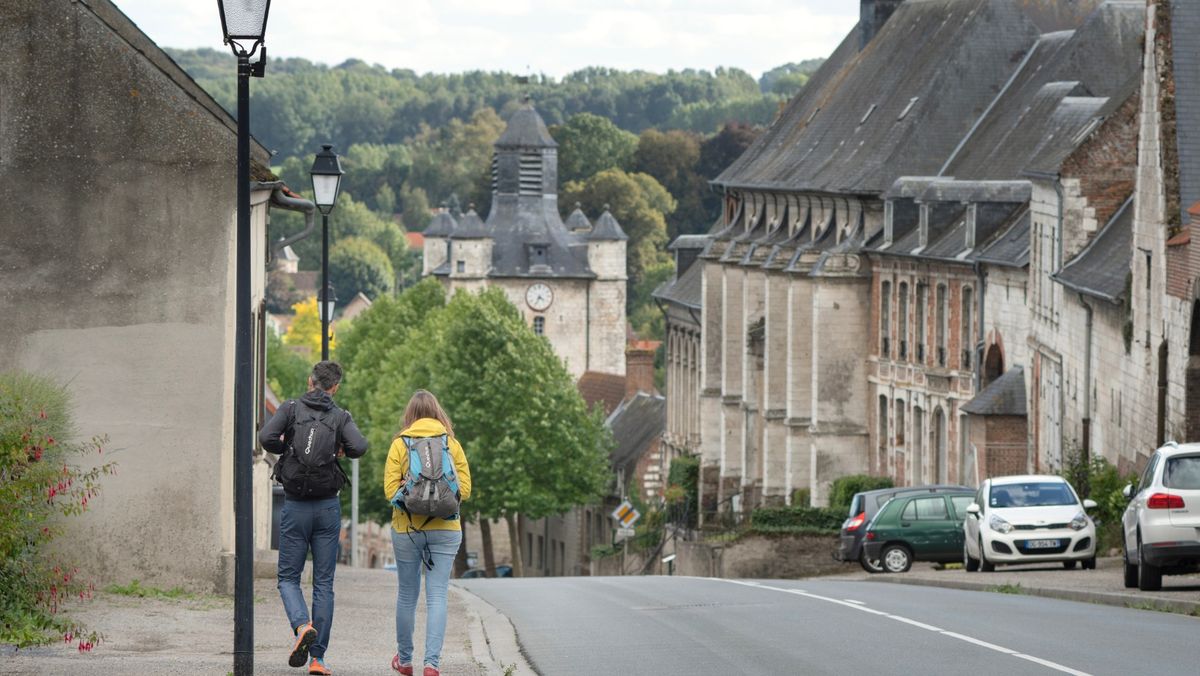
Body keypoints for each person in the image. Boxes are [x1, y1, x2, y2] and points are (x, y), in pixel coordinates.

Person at [259, 361, 368, 676]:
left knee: (289, 578)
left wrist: (287, 447)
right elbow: (359, 446)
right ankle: (318, 660)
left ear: (311, 381)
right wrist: (339, 451)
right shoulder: (339, 416)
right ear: (335, 386)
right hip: (327, 509)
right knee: (324, 583)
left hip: (295, 507)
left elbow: (266, 436)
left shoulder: (291, 408)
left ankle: (301, 625)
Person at [385, 390, 471, 676]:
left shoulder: (400, 444)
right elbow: (466, 491)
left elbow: (389, 492)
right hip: (446, 528)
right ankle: (431, 665)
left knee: (407, 596)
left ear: (410, 414)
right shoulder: (451, 444)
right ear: (437, 412)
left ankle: (405, 660)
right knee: (437, 596)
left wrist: (411, 493)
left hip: (406, 528)